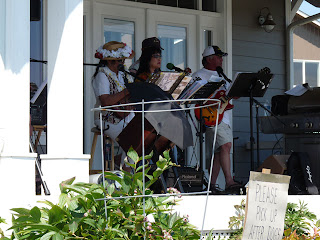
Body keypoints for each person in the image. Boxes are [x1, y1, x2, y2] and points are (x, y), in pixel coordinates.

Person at [191, 45, 241, 194]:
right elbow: (197, 98)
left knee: (220, 150)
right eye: (219, 57)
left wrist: (234, 92)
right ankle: (229, 181)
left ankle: (211, 185)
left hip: (223, 116)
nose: (221, 60)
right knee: (226, 146)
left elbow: (227, 96)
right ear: (209, 59)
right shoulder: (198, 75)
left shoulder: (222, 76)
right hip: (211, 116)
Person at [92, 41, 135, 170]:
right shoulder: (102, 75)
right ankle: (125, 174)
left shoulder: (124, 75)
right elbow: (106, 101)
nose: (122, 63)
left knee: (141, 136)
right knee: (131, 141)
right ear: (109, 62)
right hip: (107, 118)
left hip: (126, 115)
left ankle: (123, 167)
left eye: (122, 60)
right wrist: (126, 91)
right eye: (119, 61)